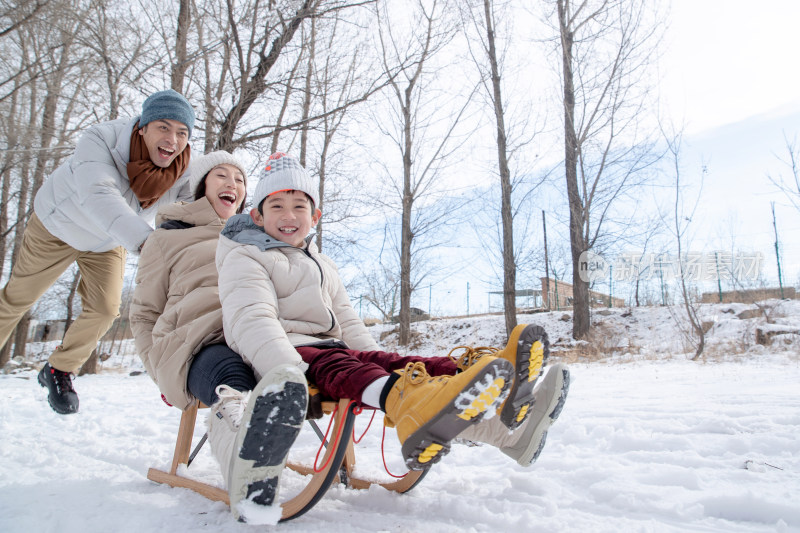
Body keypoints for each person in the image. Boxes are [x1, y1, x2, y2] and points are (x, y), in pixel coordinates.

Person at [215, 152, 572, 478]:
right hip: (292, 357)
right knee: (350, 368)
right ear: (258, 216)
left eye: (299, 206)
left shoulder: (322, 263)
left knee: (401, 363)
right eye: (276, 206)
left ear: (315, 216)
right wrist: (289, 372)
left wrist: (378, 358)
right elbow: (252, 319)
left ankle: (498, 381)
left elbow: (349, 320)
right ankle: (409, 402)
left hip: (335, 350)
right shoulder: (246, 256)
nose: (289, 215)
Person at [129, 151, 307, 523]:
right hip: (199, 340)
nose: (233, 184)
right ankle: (243, 464)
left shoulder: (264, 237)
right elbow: (143, 313)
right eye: (221, 176)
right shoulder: (168, 239)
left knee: (321, 361)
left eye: (240, 180)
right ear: (201, 186)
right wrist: (158, 369)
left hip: (262, 331)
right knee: (231, 376)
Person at [0, 89, 196, 415]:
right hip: (59, 227)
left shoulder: (186, 170)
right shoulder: (102, 140)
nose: (172, 140)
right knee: (17, 298)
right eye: (163, 127)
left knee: (106, 308)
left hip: (106, 242)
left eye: (182, 133)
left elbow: (197, 210)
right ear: (142, 127)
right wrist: (149, 244)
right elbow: (98, 195)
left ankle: (59, 369)